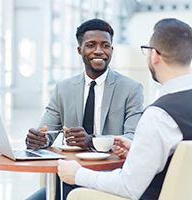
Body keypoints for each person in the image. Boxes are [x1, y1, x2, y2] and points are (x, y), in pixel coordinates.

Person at [57, 18, 192, 199]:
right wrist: (138, 149)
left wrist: (78, 173)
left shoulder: (159, 114)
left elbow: (129, 187)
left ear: (154, 55)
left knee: (64, 191)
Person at [26, 18, 144, 199]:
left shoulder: (131, 89)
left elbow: (132, 138)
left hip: (110, 179)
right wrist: (38, 139)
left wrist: (92, 141)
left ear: (111, 50)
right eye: (91, 45)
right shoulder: (63, 89)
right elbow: (46, 132)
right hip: (68, 178)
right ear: (79, 50)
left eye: (105, 45)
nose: (99, 51)